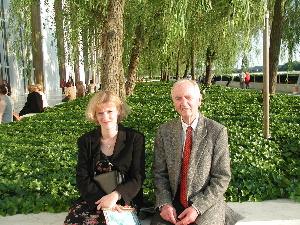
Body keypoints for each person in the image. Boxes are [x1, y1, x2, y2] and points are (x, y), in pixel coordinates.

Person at [150, 80, 239, 225]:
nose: (183, 102)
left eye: (188, 97)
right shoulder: (164, 131)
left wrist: (197, 208)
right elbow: (159, 173)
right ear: (173, 102)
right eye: (178, 98)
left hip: (205, 205)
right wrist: (164, 203)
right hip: (173, 203)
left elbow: (221, 177)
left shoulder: (216, 131)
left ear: (199, 100)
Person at [64, 90, 145, 225]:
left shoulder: (135, 138)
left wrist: (115, 196)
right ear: (95, 115)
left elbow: (138, 176)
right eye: (100, 113)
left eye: (109, 111)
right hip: (94, 199)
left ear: (118, 110)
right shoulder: (86, 141)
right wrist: (103, 201)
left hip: (124, 198)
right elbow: (82, 177)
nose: (105, 117)